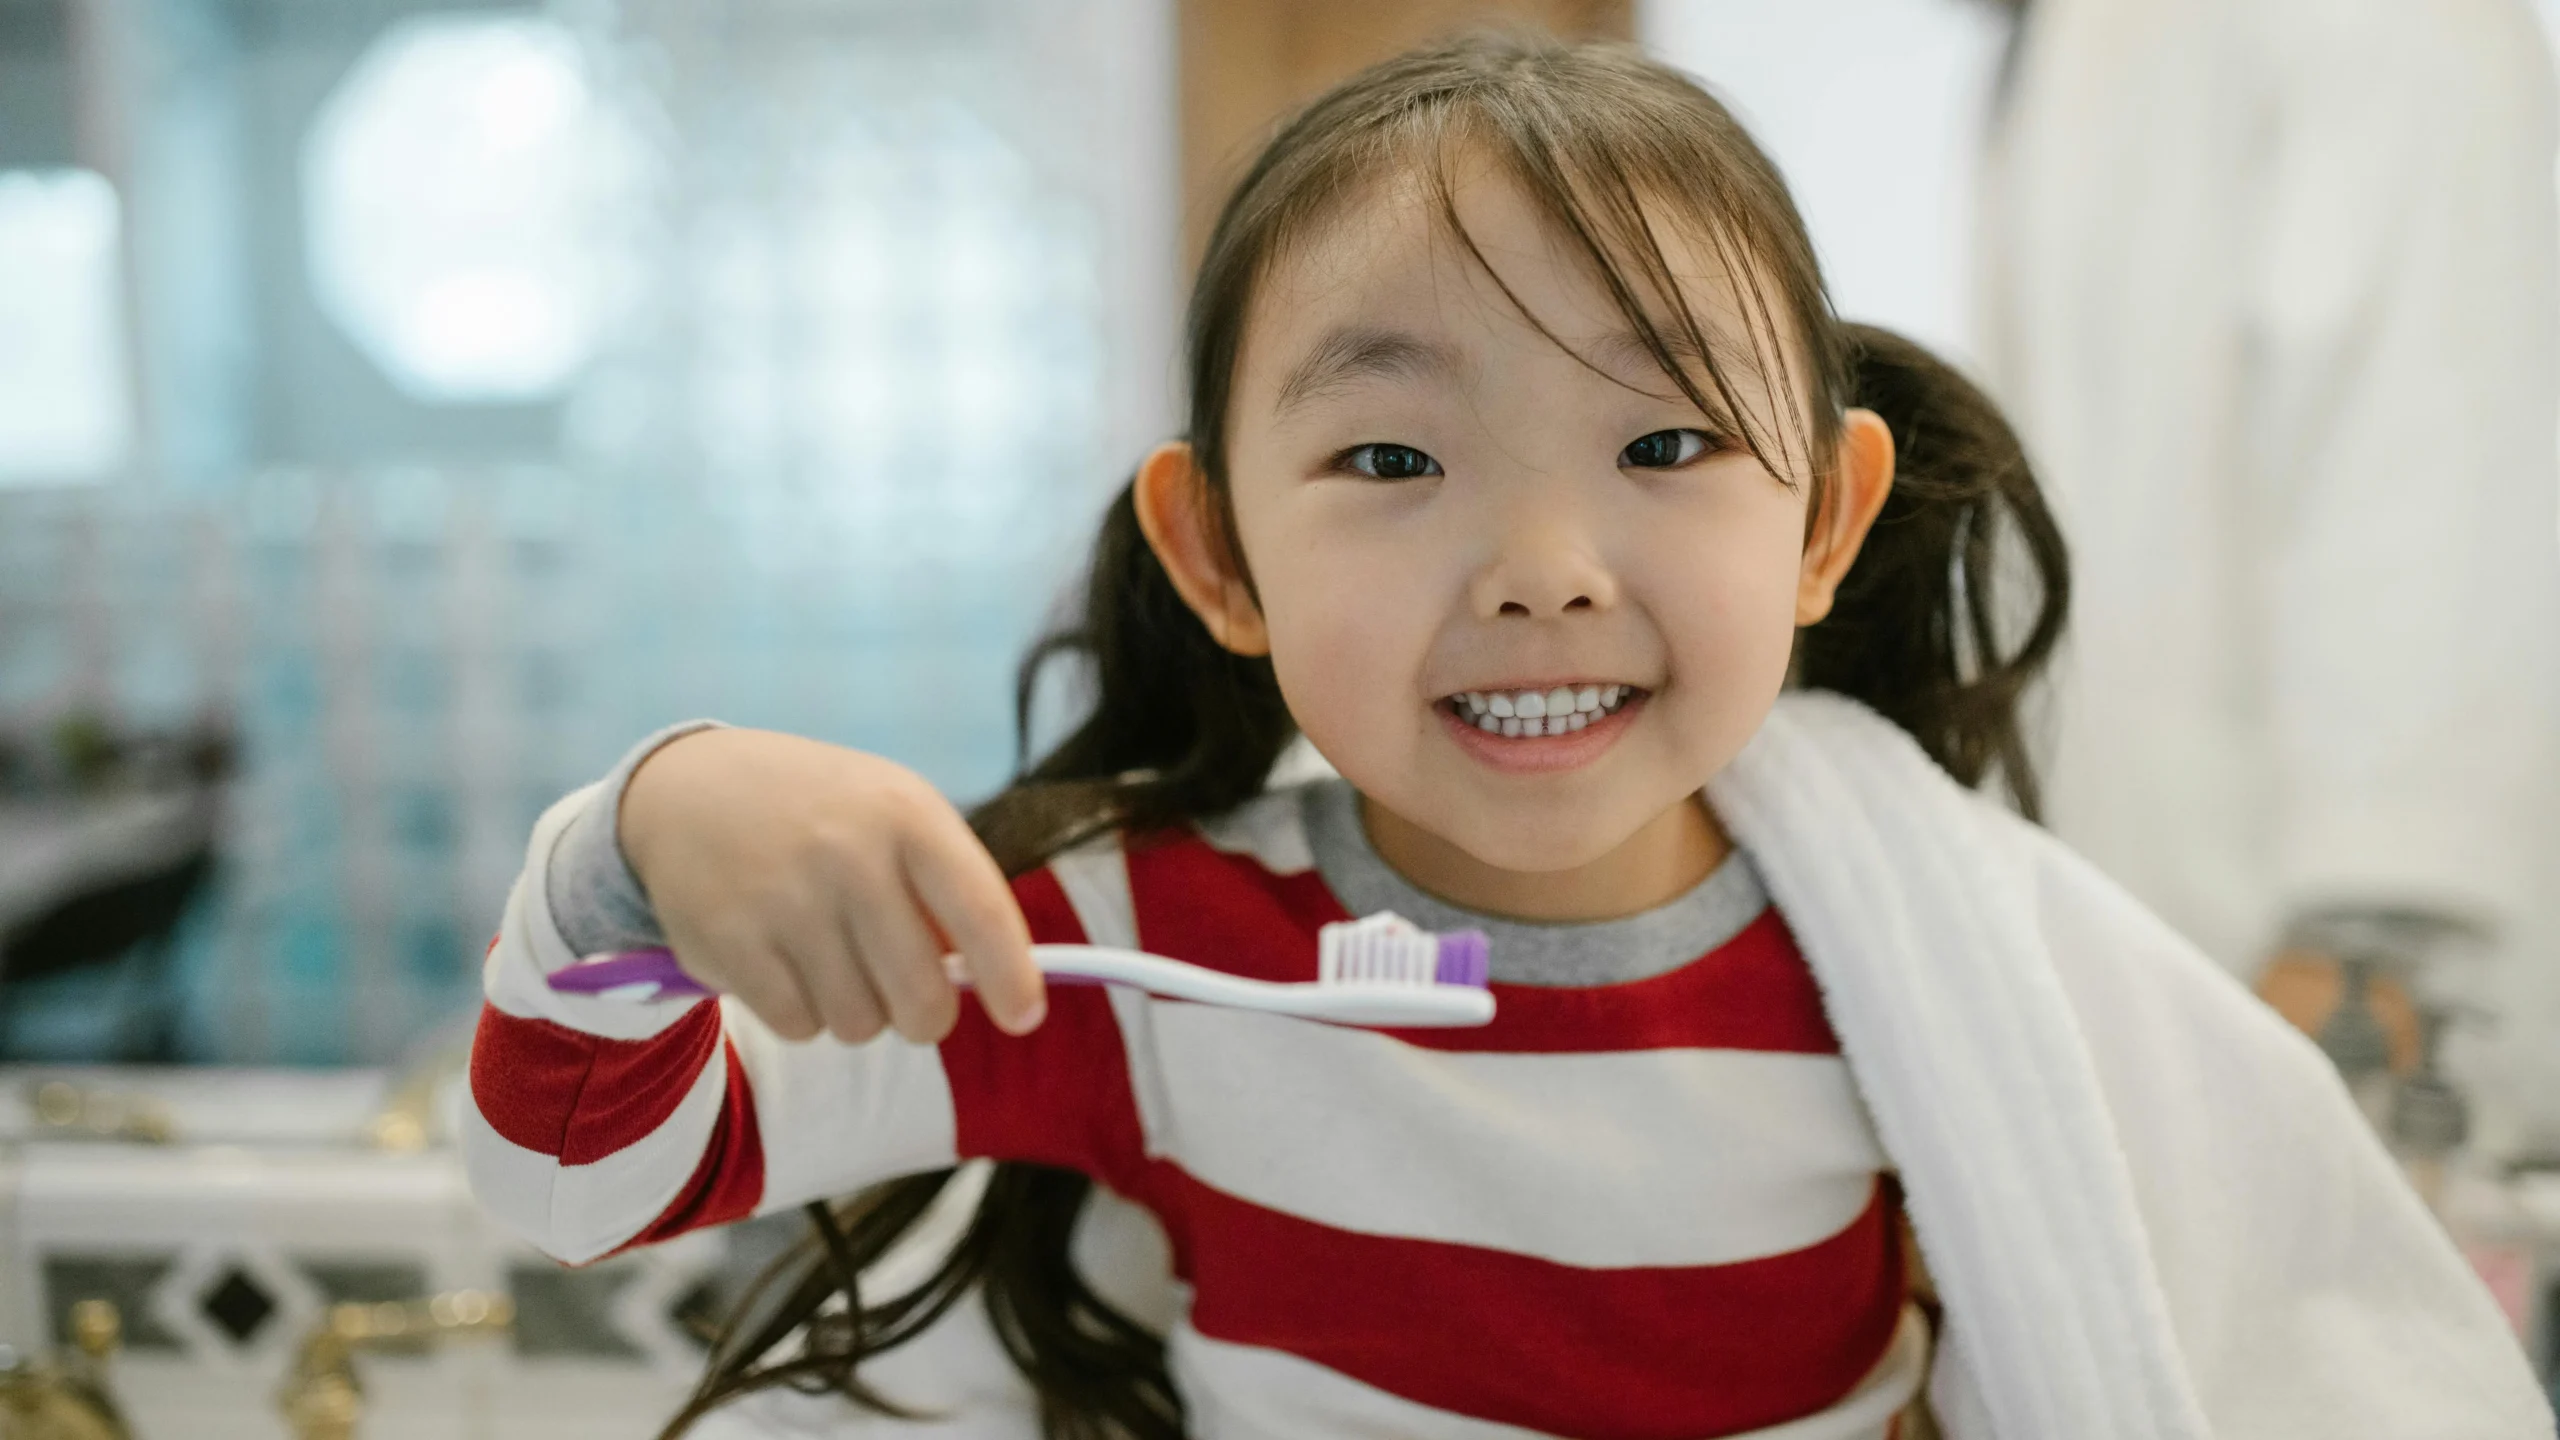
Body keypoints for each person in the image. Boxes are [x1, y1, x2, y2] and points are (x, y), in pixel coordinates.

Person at [462, 36, 2545, 1439]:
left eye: (1659, 440)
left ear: (1819, 516)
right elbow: (573, 1181)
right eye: (1388, 454)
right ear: (1216, 554)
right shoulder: (1126, 960)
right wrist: (640, 840)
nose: (1542, 567)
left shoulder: (1943, 963)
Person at [1976, 0, 2560, 1076]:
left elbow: (2427, 480)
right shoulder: (2079, 37)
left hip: (2331, 986)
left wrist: (2365, 937)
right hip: (2157, 963)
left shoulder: (2383, 26)